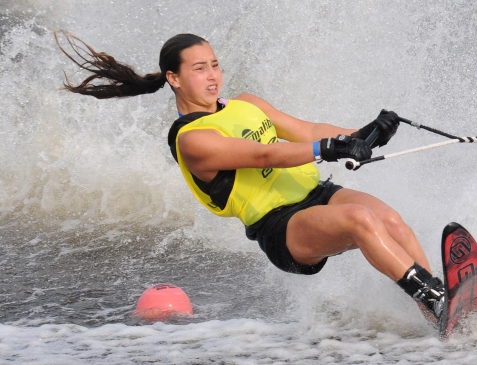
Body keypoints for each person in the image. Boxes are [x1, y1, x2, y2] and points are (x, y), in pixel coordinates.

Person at [55, 32, 446, 322]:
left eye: (214, 65)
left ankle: (439, 314)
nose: (212, 76)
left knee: (391, 220)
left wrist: (360, 135)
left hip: (320, 193)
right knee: (362, 220)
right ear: (173, 78)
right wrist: (330, 148)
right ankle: (434, 297)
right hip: (281, 227)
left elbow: (307, 130)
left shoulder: (246, 103)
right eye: (199, 68)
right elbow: (265, 153)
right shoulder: (192, 139)